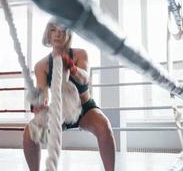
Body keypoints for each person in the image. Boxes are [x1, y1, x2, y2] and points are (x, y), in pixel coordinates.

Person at [23, 18, 116, 171]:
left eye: (63, 30)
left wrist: (72, 68)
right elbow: (43, 93)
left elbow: (85, 77)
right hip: (60, 111)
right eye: (53, 30)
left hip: (85, 109)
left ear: (69, 34)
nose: (58, 34)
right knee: (29, 134)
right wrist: (40, 104)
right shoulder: (42, 65)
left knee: (104, 126)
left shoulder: (80, 54)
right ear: (48, 33)